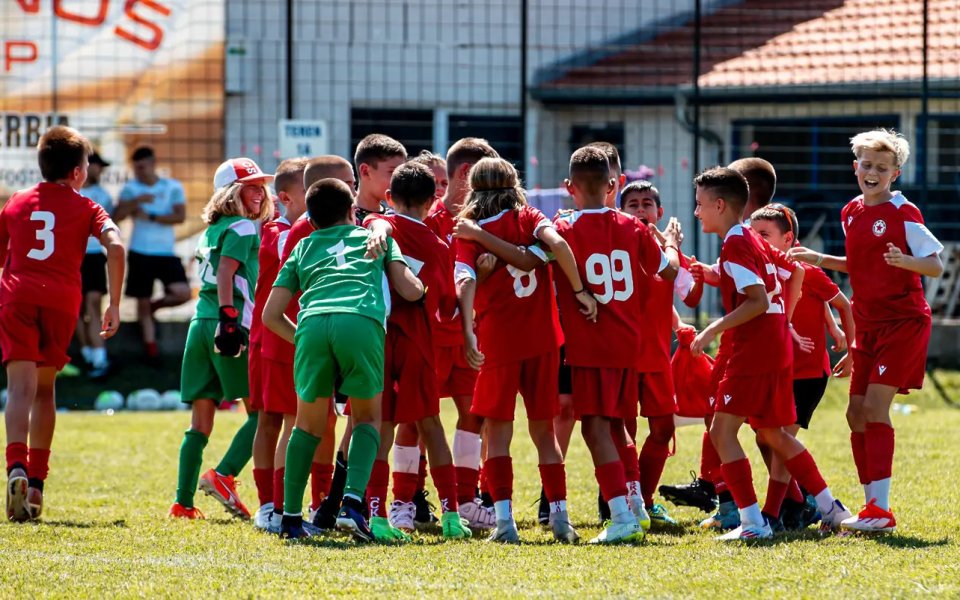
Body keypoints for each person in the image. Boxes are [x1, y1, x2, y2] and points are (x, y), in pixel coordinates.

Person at [789, 129, 944, 533]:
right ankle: (871, 506)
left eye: (882, 167)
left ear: (896, 173)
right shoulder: (851, 212)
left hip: (903, 323)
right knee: (855, 414)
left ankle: (881, 509)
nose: (872, 172)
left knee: (875, 410)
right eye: (866, 164)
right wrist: (818, 257)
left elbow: (934, 264)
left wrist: (905, 261)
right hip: (870, 325)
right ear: (855, 166)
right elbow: (860, 264)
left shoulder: (903, 213)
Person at [690, 167, 851, 540]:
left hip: (755, 349)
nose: (697, 212)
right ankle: (830, 507)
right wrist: (788, 322)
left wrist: (714, 328)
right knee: (775, 434)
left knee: (722, 431)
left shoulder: (736, 242)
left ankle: (752, 522)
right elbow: (795, 270)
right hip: (777, 346)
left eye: (700, 205)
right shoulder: (751, 236)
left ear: (719, 204)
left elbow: (758, 301)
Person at [262, 178, 425, 541]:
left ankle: (289, 518)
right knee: (368, 419)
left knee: (306, 427)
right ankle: (352, 505)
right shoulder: (375, 239)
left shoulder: (301, 245)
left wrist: (302, 339)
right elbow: (409, 290)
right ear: (353, 210)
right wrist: (422, 284)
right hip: (360, 322)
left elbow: (270, 315)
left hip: (313, 325)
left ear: (312, 219)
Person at [454, 157, 597, 543]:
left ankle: (505, 523)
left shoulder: (468, 231)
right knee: (544, 434)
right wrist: (580, 290)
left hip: (500, 343)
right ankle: (562, 519)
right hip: (545, 340)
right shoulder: (529, 216)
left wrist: (467, 330)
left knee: (497, 436)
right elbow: (559, 245)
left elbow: (465, 280)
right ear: (514, 184)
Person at [554, 147, 681, 543]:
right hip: (628, 344)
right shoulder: (634, 227)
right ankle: (635, 503)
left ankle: (621, 514)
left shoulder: (563, 228)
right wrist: (673, 243)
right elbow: (669, 269)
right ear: (613, 186)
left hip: (590, 343)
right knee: (616, 427)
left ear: (569, 187)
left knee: (594, 428)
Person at [2, 126, 124, 522]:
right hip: (60, 300)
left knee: (18, 389)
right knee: (44, 392)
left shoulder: (16, 202)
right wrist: (115, 304)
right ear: (76, 172)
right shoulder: (88, 207)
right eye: (87, 163)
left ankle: (14, 466)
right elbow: (116, 245)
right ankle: (36, 483)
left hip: (17, 295)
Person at [362, 162, 473, 540]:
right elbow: (444, 306)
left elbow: (376, 226)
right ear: (433, 201)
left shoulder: (374, 228)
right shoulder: (437, 245)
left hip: (377, 338)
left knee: (381, 428)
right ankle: (452, 515)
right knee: (431, 426)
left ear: (389, 198)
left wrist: (378, 223)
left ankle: (378, 517)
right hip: (418, 343)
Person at [169, 158, 274, 520]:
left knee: (199, 422)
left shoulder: (210, 230)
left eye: (261, 185)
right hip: (226, 325)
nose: (260, 192)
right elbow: (228, 270)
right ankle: (223, 475)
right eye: (251, 186)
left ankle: (182, 502)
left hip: (199, 323)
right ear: (231, 192)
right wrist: (230, 318)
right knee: (263, 413)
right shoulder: (244, 226)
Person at [749, 203, 855, 530]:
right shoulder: (763, 270)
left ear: (788, 238)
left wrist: (850, 349)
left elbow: (842, 303)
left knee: (779, 440)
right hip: (778, 370)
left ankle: (774, 513)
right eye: (754, 235)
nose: (757, 241)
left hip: (807, 374)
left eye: (764, 235)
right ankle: (802, 502)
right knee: (765, 438)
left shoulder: (805, 270)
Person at [618, 180, 702, 527]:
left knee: (663, 429)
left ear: (660, 212)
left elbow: (691, 295)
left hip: (654, 356)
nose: (640, 211)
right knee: (622, 434)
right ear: (621, 213)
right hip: (620, 355)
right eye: (633, 204)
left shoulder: (668, 251)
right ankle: (622, 501)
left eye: (647, 204)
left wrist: (678, 324)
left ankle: (645, 498)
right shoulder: (616, 246)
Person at [248, 157, 318, 534]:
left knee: (292, 420)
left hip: (294, 337)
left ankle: (285, 503)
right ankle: (269, 505)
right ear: (288, 198)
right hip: (274, 338)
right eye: (313, 191)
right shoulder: (277, 231)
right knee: (276, 420)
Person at [114, 146, 190, 365]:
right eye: (136, 168)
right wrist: (137, 201)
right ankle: (151, 350)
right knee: (142, 300)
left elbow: (180, 216)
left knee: (182, 292)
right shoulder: (130, 189)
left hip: (165, 251)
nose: (140, 171)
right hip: (140, 250)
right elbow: (116, 216)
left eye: (143, 166)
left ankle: (155, 308)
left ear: (153, 163)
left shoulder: (172, 186)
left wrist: (152, 216)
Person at [77, 151, 116, 379]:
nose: (100, 170)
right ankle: (88, 355)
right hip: (74, 255)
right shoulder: (72, 191)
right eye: (97, 165)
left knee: (93, 304)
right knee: (76, 309)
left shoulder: (102, 194)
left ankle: (99, 357)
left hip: (93, 255)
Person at [353, 134, 407, 222]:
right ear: (365, 171)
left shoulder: (398, 218)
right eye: (392, 172)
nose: (400, 179)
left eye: (402, 172)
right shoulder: (341, 219)